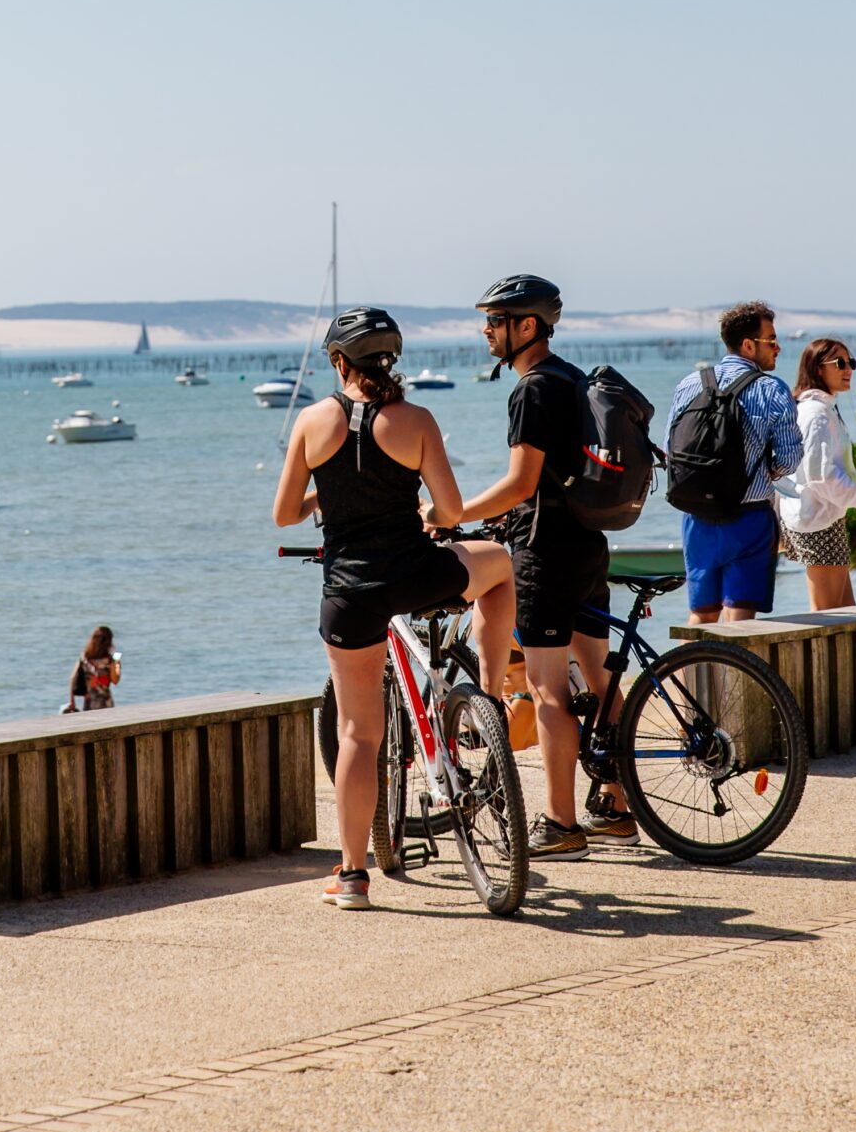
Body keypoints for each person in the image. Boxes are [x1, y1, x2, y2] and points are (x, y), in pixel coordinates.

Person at [274, 306, 515, 913]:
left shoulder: (311, 420)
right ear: (390, 361)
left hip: (350, 592)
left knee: (357, 733)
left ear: (338, 361)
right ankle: (488, 693)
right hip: (416, 576)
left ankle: (352, 875)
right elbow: (452, 510)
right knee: (500, 566)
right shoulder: (417, 420)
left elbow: (283, 515)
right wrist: (426, 517)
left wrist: (323, 492)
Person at [459, 275, 632, 862]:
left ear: (526, 326)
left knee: (548, 690)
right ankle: (614, 806)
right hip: (587, 546)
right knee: (601, 678)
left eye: (495, 320)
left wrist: (450, 512)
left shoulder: (532, 389)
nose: (486, 330)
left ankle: (560, 823)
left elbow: (520, 484)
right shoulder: (572, 377)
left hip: (546, 554)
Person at [667, 301, 803, 627]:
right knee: (740, 618)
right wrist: (764, 471)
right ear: (748, 345)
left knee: (701, 614)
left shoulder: (689, 384)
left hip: (696, 516)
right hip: (749, 517)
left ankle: (688, 677)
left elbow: (670, 447)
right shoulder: (772, 389)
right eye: (771, 341)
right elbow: (789, 457)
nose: (778, 348)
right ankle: (735, 679)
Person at [779, 339, 856, 609]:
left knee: (845, 611)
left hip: (820, 516)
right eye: (840, 363)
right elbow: (822, 478)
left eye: (851, 363)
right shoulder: (816, 414)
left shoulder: (821, 409)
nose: (848, 369)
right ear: (817, 368)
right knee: (827, 618)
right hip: (817, 520)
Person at [67, 626, 120, 712]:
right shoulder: (109, 660)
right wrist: (117, 665)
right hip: (105, 701)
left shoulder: (84, 658)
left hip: (89, 701)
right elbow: (115, 680)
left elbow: (73, 678)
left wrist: (72, 701)